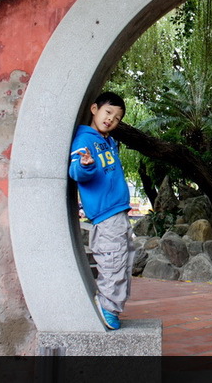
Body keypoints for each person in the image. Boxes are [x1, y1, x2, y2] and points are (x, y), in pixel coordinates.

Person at [69, 92, 134, 330]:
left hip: (118, 213)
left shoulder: (106, 140)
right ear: (95, 109)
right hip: (106, 215)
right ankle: (108, 307)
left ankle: (114, 305)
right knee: (113, 260)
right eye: (108, 112)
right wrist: (86, 165)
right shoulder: (83, 140)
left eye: (117, 118)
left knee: (124, 260)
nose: (111, 119)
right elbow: (76, 172)